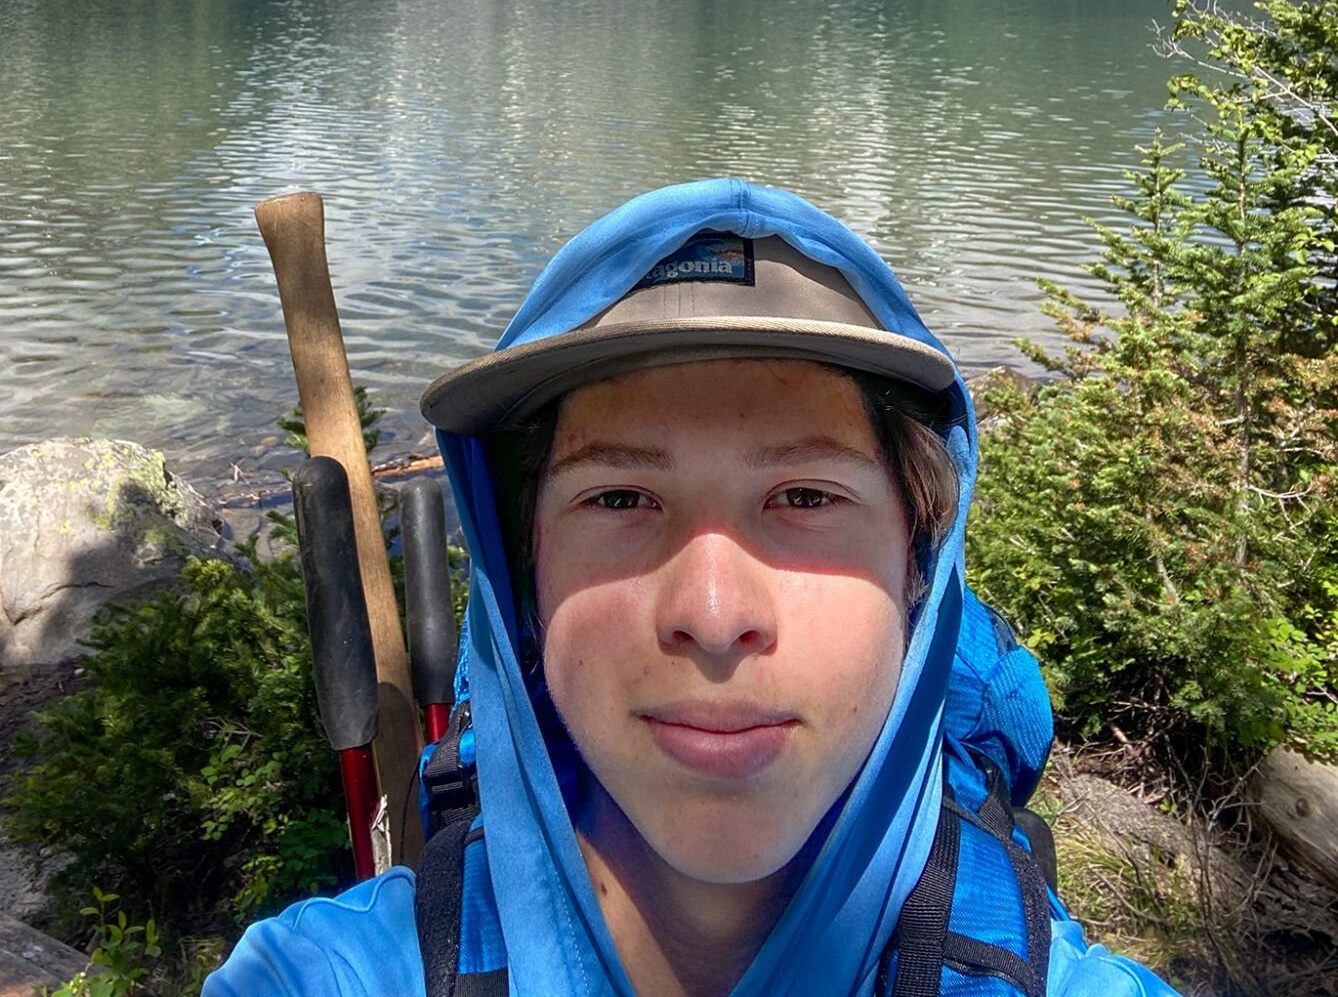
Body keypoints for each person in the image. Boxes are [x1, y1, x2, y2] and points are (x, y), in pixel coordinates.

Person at [207, 178, 1179, 997]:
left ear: (916, 565)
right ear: (524, 575)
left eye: (802, 493)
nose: (713, 618)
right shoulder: (336, 971)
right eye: (621, 495)